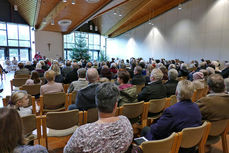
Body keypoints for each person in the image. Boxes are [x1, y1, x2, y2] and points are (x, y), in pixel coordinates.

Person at [64, 82, 133, 153]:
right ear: (116, 105)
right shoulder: (125, 122)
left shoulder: (83, 132)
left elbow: (67, 151)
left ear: (96, 104)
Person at [142, 80, 202, 153]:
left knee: (146, 129)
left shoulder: (171, 111)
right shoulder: (196, 107)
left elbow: (157, 130)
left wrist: (152, 126)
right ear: (192, 93)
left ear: (176, 93)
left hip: (174, 146)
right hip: (192, 144)